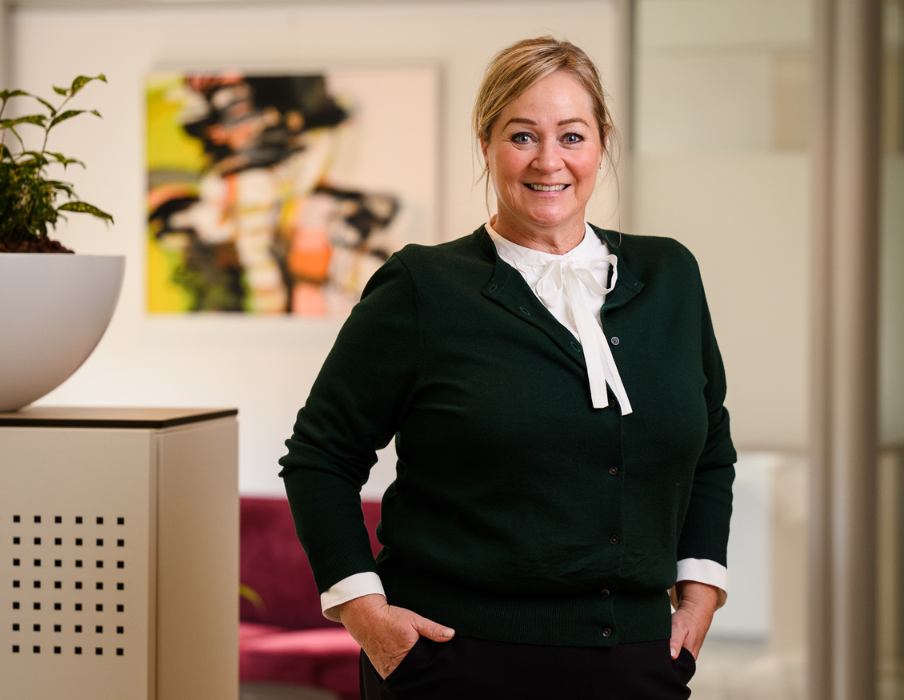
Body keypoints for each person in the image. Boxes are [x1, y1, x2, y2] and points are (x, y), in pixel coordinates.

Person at [279, 36, 735, 700]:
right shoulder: (422, 287)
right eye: (522, 136)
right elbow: (320, 454)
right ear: (487, 142)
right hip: (452, 665)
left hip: (634, 664)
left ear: (602, 141)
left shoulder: (670, 276)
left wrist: (701, 589)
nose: (549, 161)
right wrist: (364, 614)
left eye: (571, 136)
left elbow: (710, 446)